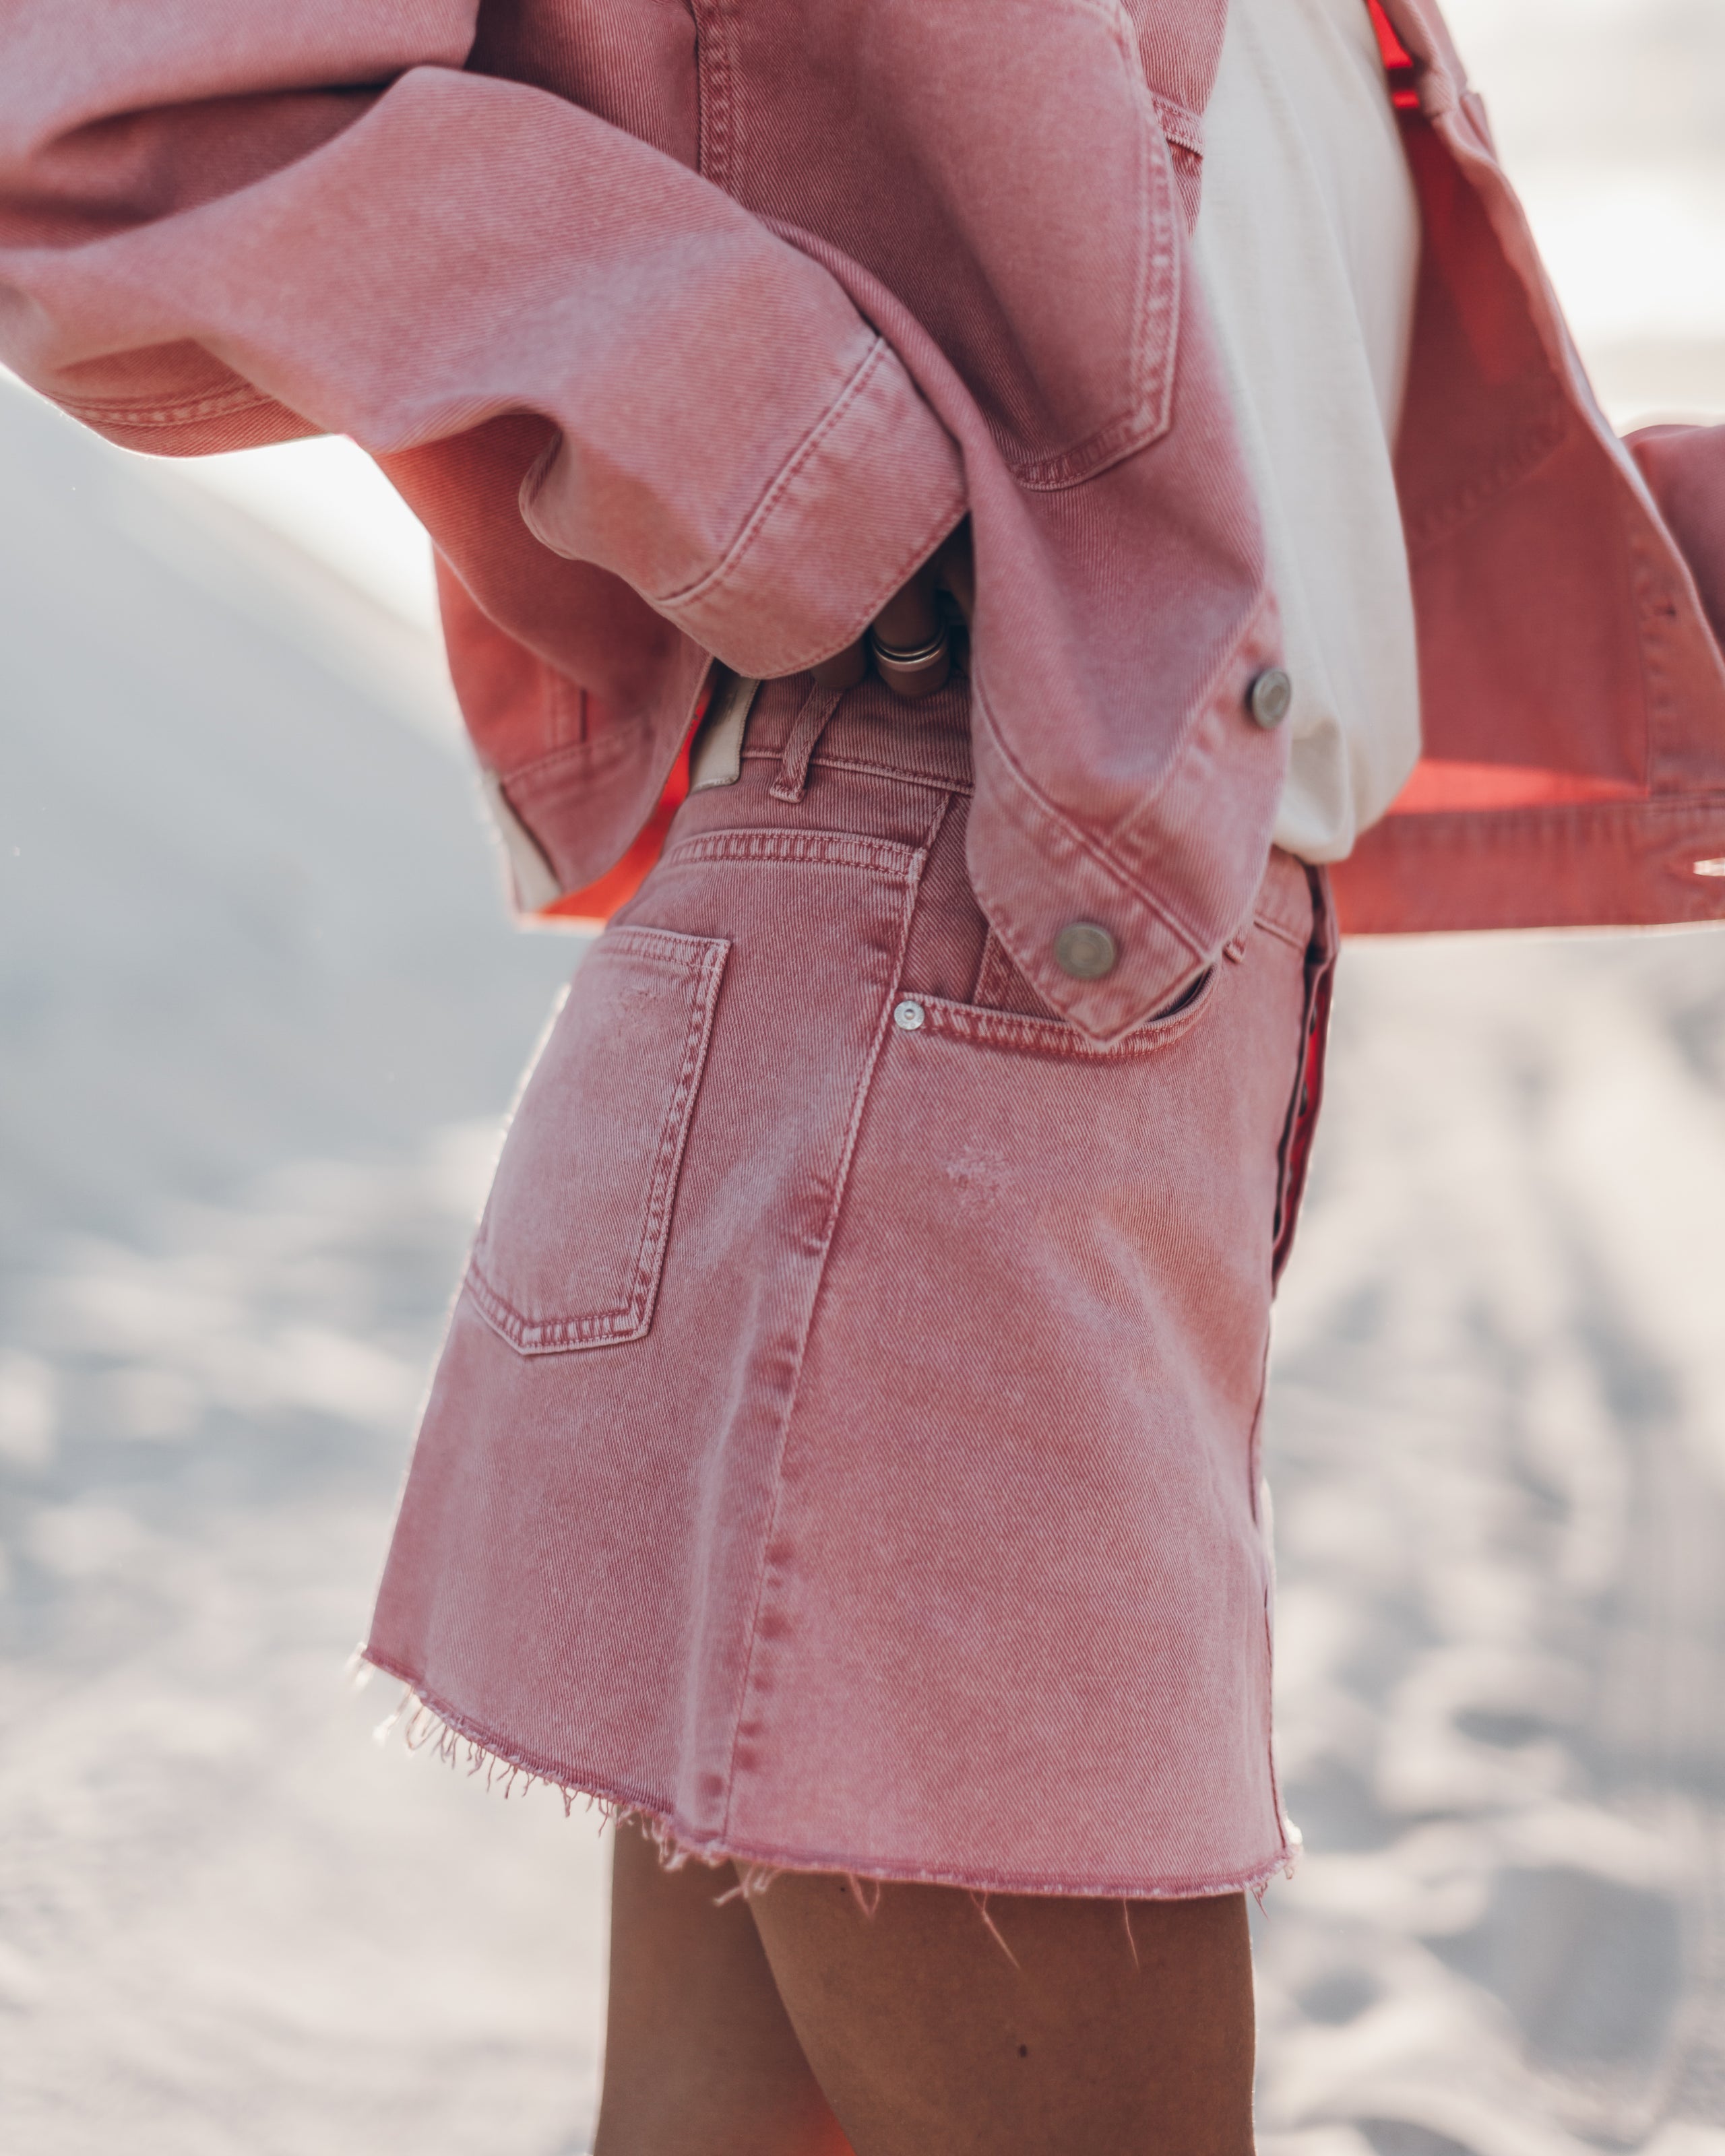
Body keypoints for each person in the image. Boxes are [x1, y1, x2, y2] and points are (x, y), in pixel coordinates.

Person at [3, 1, 1722, 2149]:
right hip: (938, 1003)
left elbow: (1256, 507)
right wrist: (796, 455)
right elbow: (87, 117)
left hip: (992, 1002)